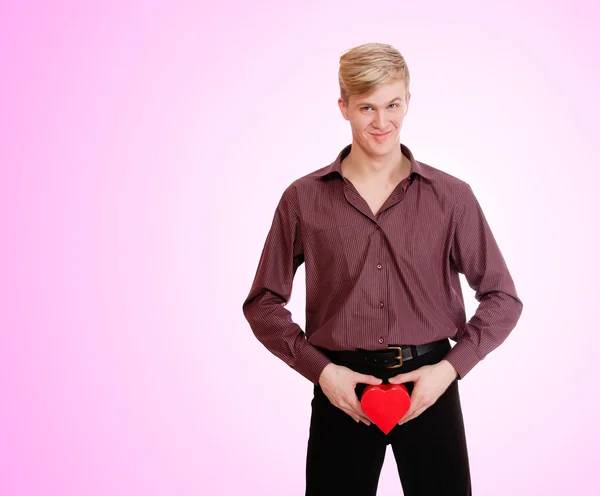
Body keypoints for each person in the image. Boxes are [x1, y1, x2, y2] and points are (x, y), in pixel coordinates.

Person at [242, 42, 523, 496]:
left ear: (408, 101)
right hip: (340, 387)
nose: (381, 122)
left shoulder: (451, 197)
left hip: (430, 381)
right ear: (344, 108)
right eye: (366, 107)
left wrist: (449, 370)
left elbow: (503, 299)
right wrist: (322, 372)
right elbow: (262, 303)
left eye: (392, 105)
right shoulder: (303, 199)